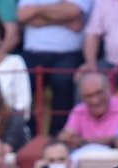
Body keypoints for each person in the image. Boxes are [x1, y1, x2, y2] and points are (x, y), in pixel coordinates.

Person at [17, 0, 91, 136]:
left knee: (63, 80)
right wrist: (64, 20)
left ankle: (58, 136)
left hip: (68, 53)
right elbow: (22, 15)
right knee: (19, 78)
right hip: (31, 53)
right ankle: (27, 135)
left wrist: (36, 10)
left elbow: (73, 11)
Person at [58, 72, 118, 152]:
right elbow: (67, 136)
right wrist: (66, 137)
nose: (95, 100)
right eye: (89, 96)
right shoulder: (79, 110)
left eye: (99, 93)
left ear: (109, 89)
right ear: (82, 98)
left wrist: (83, 142)